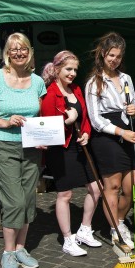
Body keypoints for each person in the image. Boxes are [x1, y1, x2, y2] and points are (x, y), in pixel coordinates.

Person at [0, 32, 46, 268]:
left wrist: (44, 136)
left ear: (29, 52)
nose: (19, 52)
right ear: (7, 53)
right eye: (14, 49)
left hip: (31, 147)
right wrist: (5, 123)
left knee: (27, 200)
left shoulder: (37, 82)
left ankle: (20, 248)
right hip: (2, 144)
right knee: (14, 200)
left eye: (23, 48)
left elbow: (42, 116)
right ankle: (7, 252)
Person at [41, 50, 102, 257]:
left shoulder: (76, 89)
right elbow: (46, 128)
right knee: (65, 194)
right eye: (68, 69)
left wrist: (85, 132)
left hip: (79, 146)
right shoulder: (50, 94)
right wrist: (66, 122)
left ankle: (84, 229)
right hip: (60, 149)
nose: (72, 73)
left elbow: (84, 116)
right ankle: (68, 239)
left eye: (75, 69)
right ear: (57, 69)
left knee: (96, 188)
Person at [85, 32, 135, 250]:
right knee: (113, 185)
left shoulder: (126, 78)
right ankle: (116, 230)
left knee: (131, 185)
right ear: (102, 55)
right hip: (108, 135)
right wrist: (120, 132)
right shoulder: (93, 83)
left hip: (128, 130)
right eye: (111, 55)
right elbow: (96, 120)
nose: (114, 60)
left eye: (118, 56)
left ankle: (117, 220)